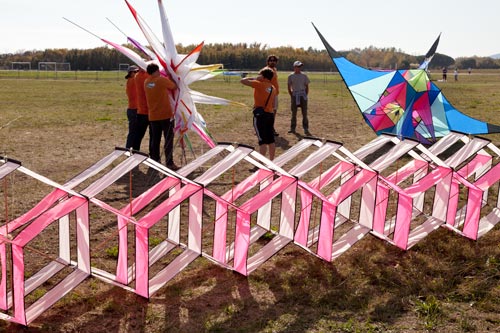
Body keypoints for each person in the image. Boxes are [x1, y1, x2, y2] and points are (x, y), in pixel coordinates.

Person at [144, 63, 179, 170]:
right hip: (165, 115)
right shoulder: (161, 80)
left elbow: (154, 87)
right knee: (168, 139)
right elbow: (174, 86)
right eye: (158, 70)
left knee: (155, 140)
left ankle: (155, 161)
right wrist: (169, 76)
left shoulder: (147, 82)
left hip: (153, 116)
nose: (159, 72)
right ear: (155, 71)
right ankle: (169, 162)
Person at [240, 68, 277, 160]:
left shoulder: (259, 84)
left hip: (261, 115)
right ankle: (271, 161)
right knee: (271, 140)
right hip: (270, 114)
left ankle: (261, 163)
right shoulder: (273, 88)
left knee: (262, 141)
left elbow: (243, 81)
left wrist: (255, 78)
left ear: (263, 76)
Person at [287, 61, 311, 136]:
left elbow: (307, 86)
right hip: (295, 95)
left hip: (302, 95)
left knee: (304, 113)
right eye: (298, 66)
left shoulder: (304, 76)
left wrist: (305, 95)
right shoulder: (290, 76)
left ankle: (306, 128)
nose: (299, 68)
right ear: (294, 67)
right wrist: (292, 95)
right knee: (294, 113)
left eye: (300, 66)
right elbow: (289, 86)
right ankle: (293, 128)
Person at [134, 67, 152, 153]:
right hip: (148, 112)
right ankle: (153, 155)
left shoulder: (137, 76)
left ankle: (134, 153)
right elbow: (151, 84)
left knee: (138, 135)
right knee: (153, 136)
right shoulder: (143, 77)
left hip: (142, 111)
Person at [262, 55, 280, 136]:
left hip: (275, 94)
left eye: (274, 60)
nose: (272, 62)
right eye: (271, 60)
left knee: (274, 111)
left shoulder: (275, 70)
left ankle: (270, 127)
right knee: (268, 112)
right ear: (268, 61)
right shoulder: (265, 70)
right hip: (268, 94)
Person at [124, 65, 139, 149]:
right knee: (133, 131)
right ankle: (129, 148)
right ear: (131, 73)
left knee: (133, 131)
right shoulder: (133, 80)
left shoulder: (130, 80)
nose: (138, 73)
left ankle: (130, 148)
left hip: (131, 109)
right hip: (134, 109)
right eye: (136, 72)